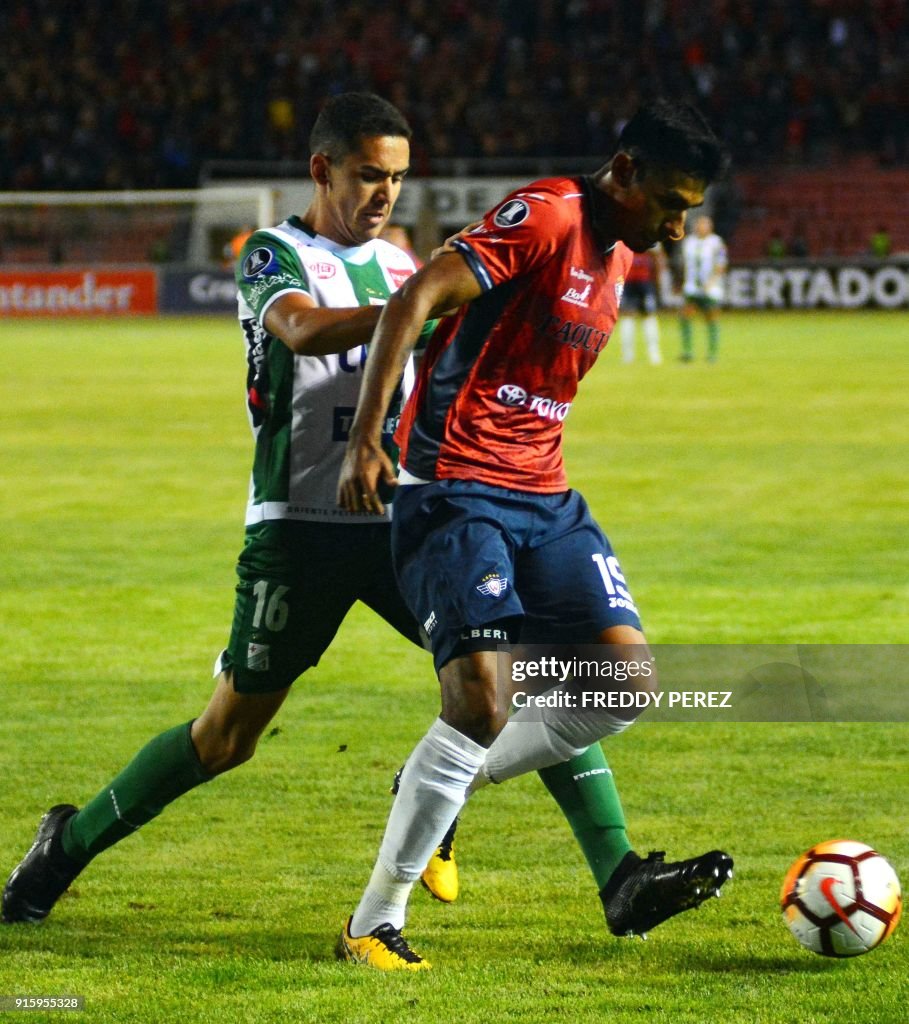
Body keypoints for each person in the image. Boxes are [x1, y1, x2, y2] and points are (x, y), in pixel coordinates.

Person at [1, 91, 459, 925]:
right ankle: (63, 846)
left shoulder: (404, 264)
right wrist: (417, 312)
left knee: (504, 673)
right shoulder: (268, 254)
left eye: (396, 177)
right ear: (322, 169)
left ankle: (610, 871)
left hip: (398, 522)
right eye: (367, 175)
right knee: (226, 738)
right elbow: (306, 331)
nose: (385, 193)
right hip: (297, 528)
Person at [335, 99, 734, 971]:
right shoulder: (548, 214)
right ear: (622, 170)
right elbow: (414, 298)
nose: (673, 226)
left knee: (620, 685)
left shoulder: (623, 251)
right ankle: (373, 922)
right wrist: (368, 439)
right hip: (456, 486)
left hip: (544, 496)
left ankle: (434, 791)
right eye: (667, 202)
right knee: (480, 701)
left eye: (687, 211)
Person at [678, 214, 727, 362]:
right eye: (699, 224)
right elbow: (684, 265)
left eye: (704, 224)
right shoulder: (689, 242)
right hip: (692, 287)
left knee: (711, 318)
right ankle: (688, 352)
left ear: (710, 227)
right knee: (685, 317)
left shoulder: (717, 242)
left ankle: (712, 353)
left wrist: (711, 282)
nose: (701, 227)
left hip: (710, 289)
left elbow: (721, 264)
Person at [619, 244, 665, 364]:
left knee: (649, 316)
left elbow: (658, 258)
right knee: (628, 316)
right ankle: (627, 354)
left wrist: (657, 282)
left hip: (645, 282)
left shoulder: (651, 234)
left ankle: (653, 352)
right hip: (628, 281)